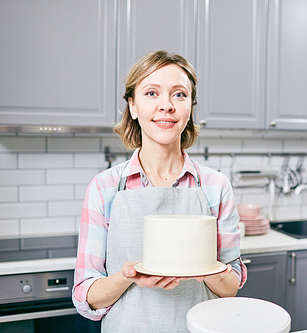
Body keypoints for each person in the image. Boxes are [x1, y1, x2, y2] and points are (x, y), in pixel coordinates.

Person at [72, 50, 247, 332]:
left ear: (190, 106)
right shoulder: (104, 188)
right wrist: (127, 275)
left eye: (179, 94)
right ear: (133, 106)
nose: (166, 105)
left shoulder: (216, 186)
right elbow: (86, 297)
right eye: (151, 93)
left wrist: (204, 268)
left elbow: (230, 287)